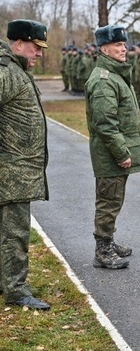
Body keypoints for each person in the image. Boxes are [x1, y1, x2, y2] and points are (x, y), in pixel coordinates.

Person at [85, 25, 140, 270]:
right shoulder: (104, 80)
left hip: (114, 153)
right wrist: (122, 152)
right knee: (108, 202)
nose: (124, 49)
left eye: (124, 45)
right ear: (104, 49)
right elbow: (105, 123)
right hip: (110, 154)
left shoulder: (115, 75)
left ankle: (109, 241)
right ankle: (102, 251)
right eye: (118, 45)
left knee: (114, 200)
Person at [0, 19, 50, 310]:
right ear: (18, 44)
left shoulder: (17, 71)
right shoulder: (7, 73)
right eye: (35, 47)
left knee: (8, 231)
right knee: (15, 233)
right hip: (12, 171)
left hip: (17, 171)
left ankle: (7, 281)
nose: (39, 54)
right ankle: (17, 290)